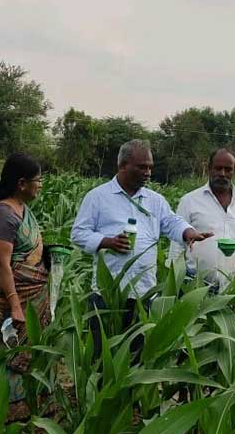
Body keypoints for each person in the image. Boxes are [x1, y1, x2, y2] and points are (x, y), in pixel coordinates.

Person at [70, 139, 210, 353]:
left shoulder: (155, 200)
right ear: (123, 165)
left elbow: (171, 222)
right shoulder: (98, 197)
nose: (148, 172)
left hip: (143, 293)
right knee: (102, 356)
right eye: (142, 167)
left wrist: (188, 232)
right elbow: (78, 234)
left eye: (150, 167)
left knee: (136, 355)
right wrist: (107, 242)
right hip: (108, 294)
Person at [0, 153, 48, 422]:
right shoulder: (2, 215)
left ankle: (18, 411)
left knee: (18, 354)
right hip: (1, 298)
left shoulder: (22, 210)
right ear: (22, 183)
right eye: (38, 181)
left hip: (24, 295)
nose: (41, 185)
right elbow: (1, 265)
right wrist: (15, 304)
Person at [168, 149, 235, 291]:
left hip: (232, 287)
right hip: (194, 287)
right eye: (218, 168)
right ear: (209, 169)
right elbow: (177, 245)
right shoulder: (189, 201)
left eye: (228, 169)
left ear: (234, 171)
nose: (222, 173)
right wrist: (174, 281)